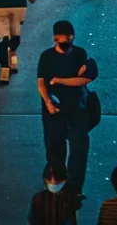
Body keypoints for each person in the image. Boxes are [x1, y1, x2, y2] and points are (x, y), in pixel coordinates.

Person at [37, 21, 97, 201]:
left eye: (69, 39)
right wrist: (47, 101)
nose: (67, 43)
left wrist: (58, 80)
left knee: (79, 150)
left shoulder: (80, 54)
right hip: (54, 111)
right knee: (55, 150)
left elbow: (84, 80)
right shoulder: (46, 57)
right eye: (63, 40)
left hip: (77, 110)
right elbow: (41, 83)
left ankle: (74, 189)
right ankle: (56, 184)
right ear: (55, 38)